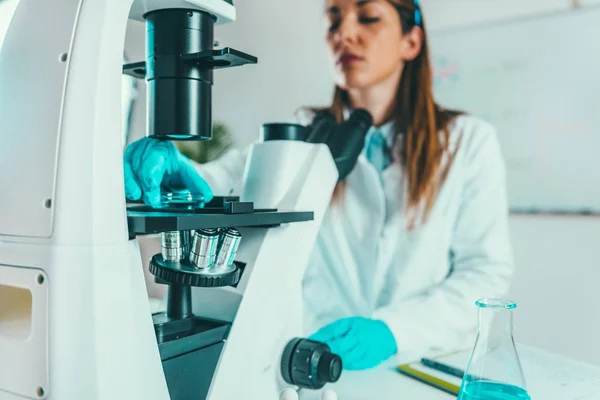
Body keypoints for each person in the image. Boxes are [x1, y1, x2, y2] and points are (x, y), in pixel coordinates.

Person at [124, 0, 514, 371]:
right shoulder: (302, 135)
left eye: (368, 17)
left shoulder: (466, 142)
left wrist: (395, 332)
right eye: (333, 19)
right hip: (309, 355)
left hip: (414, 363)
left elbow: (484, 273)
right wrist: (168, 166)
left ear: (411, 41)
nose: (344, 34)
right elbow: (213, 185)